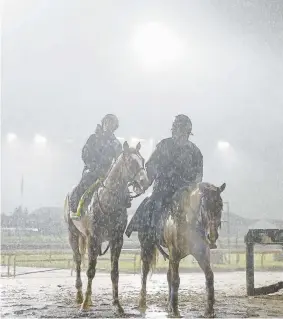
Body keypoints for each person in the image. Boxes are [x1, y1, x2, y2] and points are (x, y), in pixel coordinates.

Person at [126, 114, 203, 242]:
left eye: (183, 131)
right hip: (163, 188)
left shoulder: (195, 152)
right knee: (151, 206)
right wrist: (148, 182)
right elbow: (151, 165)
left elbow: (199, 174)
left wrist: (191, 187)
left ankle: (206, 236)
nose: (181, 134)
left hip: (186, 191)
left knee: (204, 210)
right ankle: (150, 235)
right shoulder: (163, 145)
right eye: (178, 130)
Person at [69, 114, 122, 219]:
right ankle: (76, 209)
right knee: (85, 184)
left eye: (111, 124)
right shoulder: (93, 138)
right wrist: (94, 167)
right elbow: (85, 154)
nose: (108, 126)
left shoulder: (116, 144)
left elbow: (119, 160)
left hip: (109, 174)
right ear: (103, 123)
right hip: (92, 172)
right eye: (107, 123)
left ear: (115, 127)